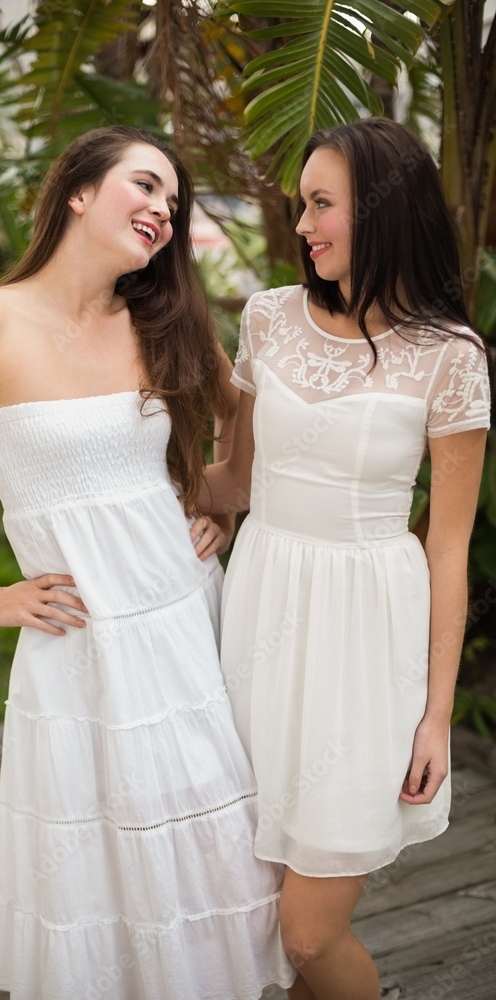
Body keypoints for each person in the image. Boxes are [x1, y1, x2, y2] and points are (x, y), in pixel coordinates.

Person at [0, 126, 294, 998]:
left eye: (174, 200)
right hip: (78, 639)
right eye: (145, 186)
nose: (163, 210)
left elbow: (243, 414)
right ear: (79, 192)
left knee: (217, 856)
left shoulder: (161, 321)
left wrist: (220, 502)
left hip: (185, 623)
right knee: (99, 864)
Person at [202, 117, 491, 1000]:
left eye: (320, 204)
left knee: (307, 930)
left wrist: (435, 715)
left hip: (368, 644)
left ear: (382, 210)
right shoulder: (267, 320)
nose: (301, 225)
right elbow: (233, 479)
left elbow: (447, 546)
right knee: (248, 909)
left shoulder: (452, 359)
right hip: (256, 621)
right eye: (301, 205)